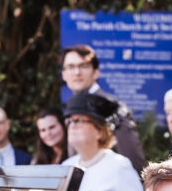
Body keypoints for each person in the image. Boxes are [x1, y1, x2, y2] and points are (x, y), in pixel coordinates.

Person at [61, 45, 146, 173]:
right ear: (63, 74)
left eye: (83, 66)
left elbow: (133, 162)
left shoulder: (113, 108)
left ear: (96, 72)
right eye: (71, 67)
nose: (77, 72)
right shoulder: (72, 108)